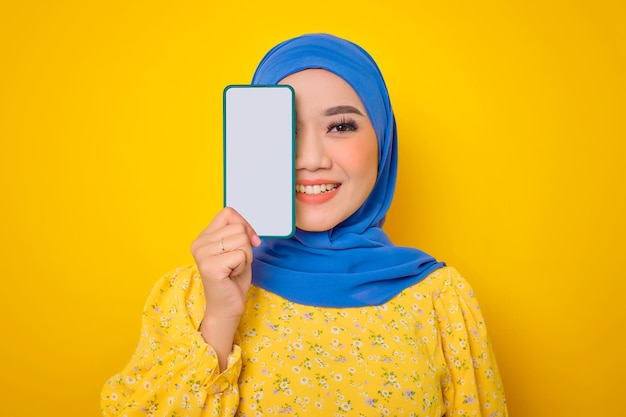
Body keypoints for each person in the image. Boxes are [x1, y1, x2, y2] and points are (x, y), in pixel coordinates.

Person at [101, 33, 507, 416]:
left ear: (382, 141)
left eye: (341, 126)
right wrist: (220, 320)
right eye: (285, 130)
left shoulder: (442, 300)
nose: (310, 158)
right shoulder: (193, 296)